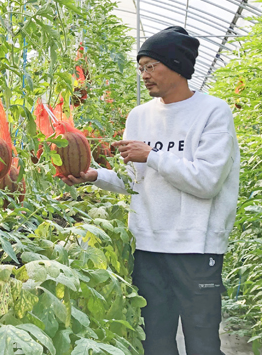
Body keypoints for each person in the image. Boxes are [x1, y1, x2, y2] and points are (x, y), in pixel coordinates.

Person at [60, 26, 239, 355]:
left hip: (197, 248)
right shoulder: (139, 117)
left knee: (202, 342)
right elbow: (134, 183)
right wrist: (93, 176)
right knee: (154, 341)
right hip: (148, 247)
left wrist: (153, 155)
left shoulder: (213, 112)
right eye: (140, 67)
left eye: (151, 65)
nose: (144, 74)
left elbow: (208, 181)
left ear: (177, 65)